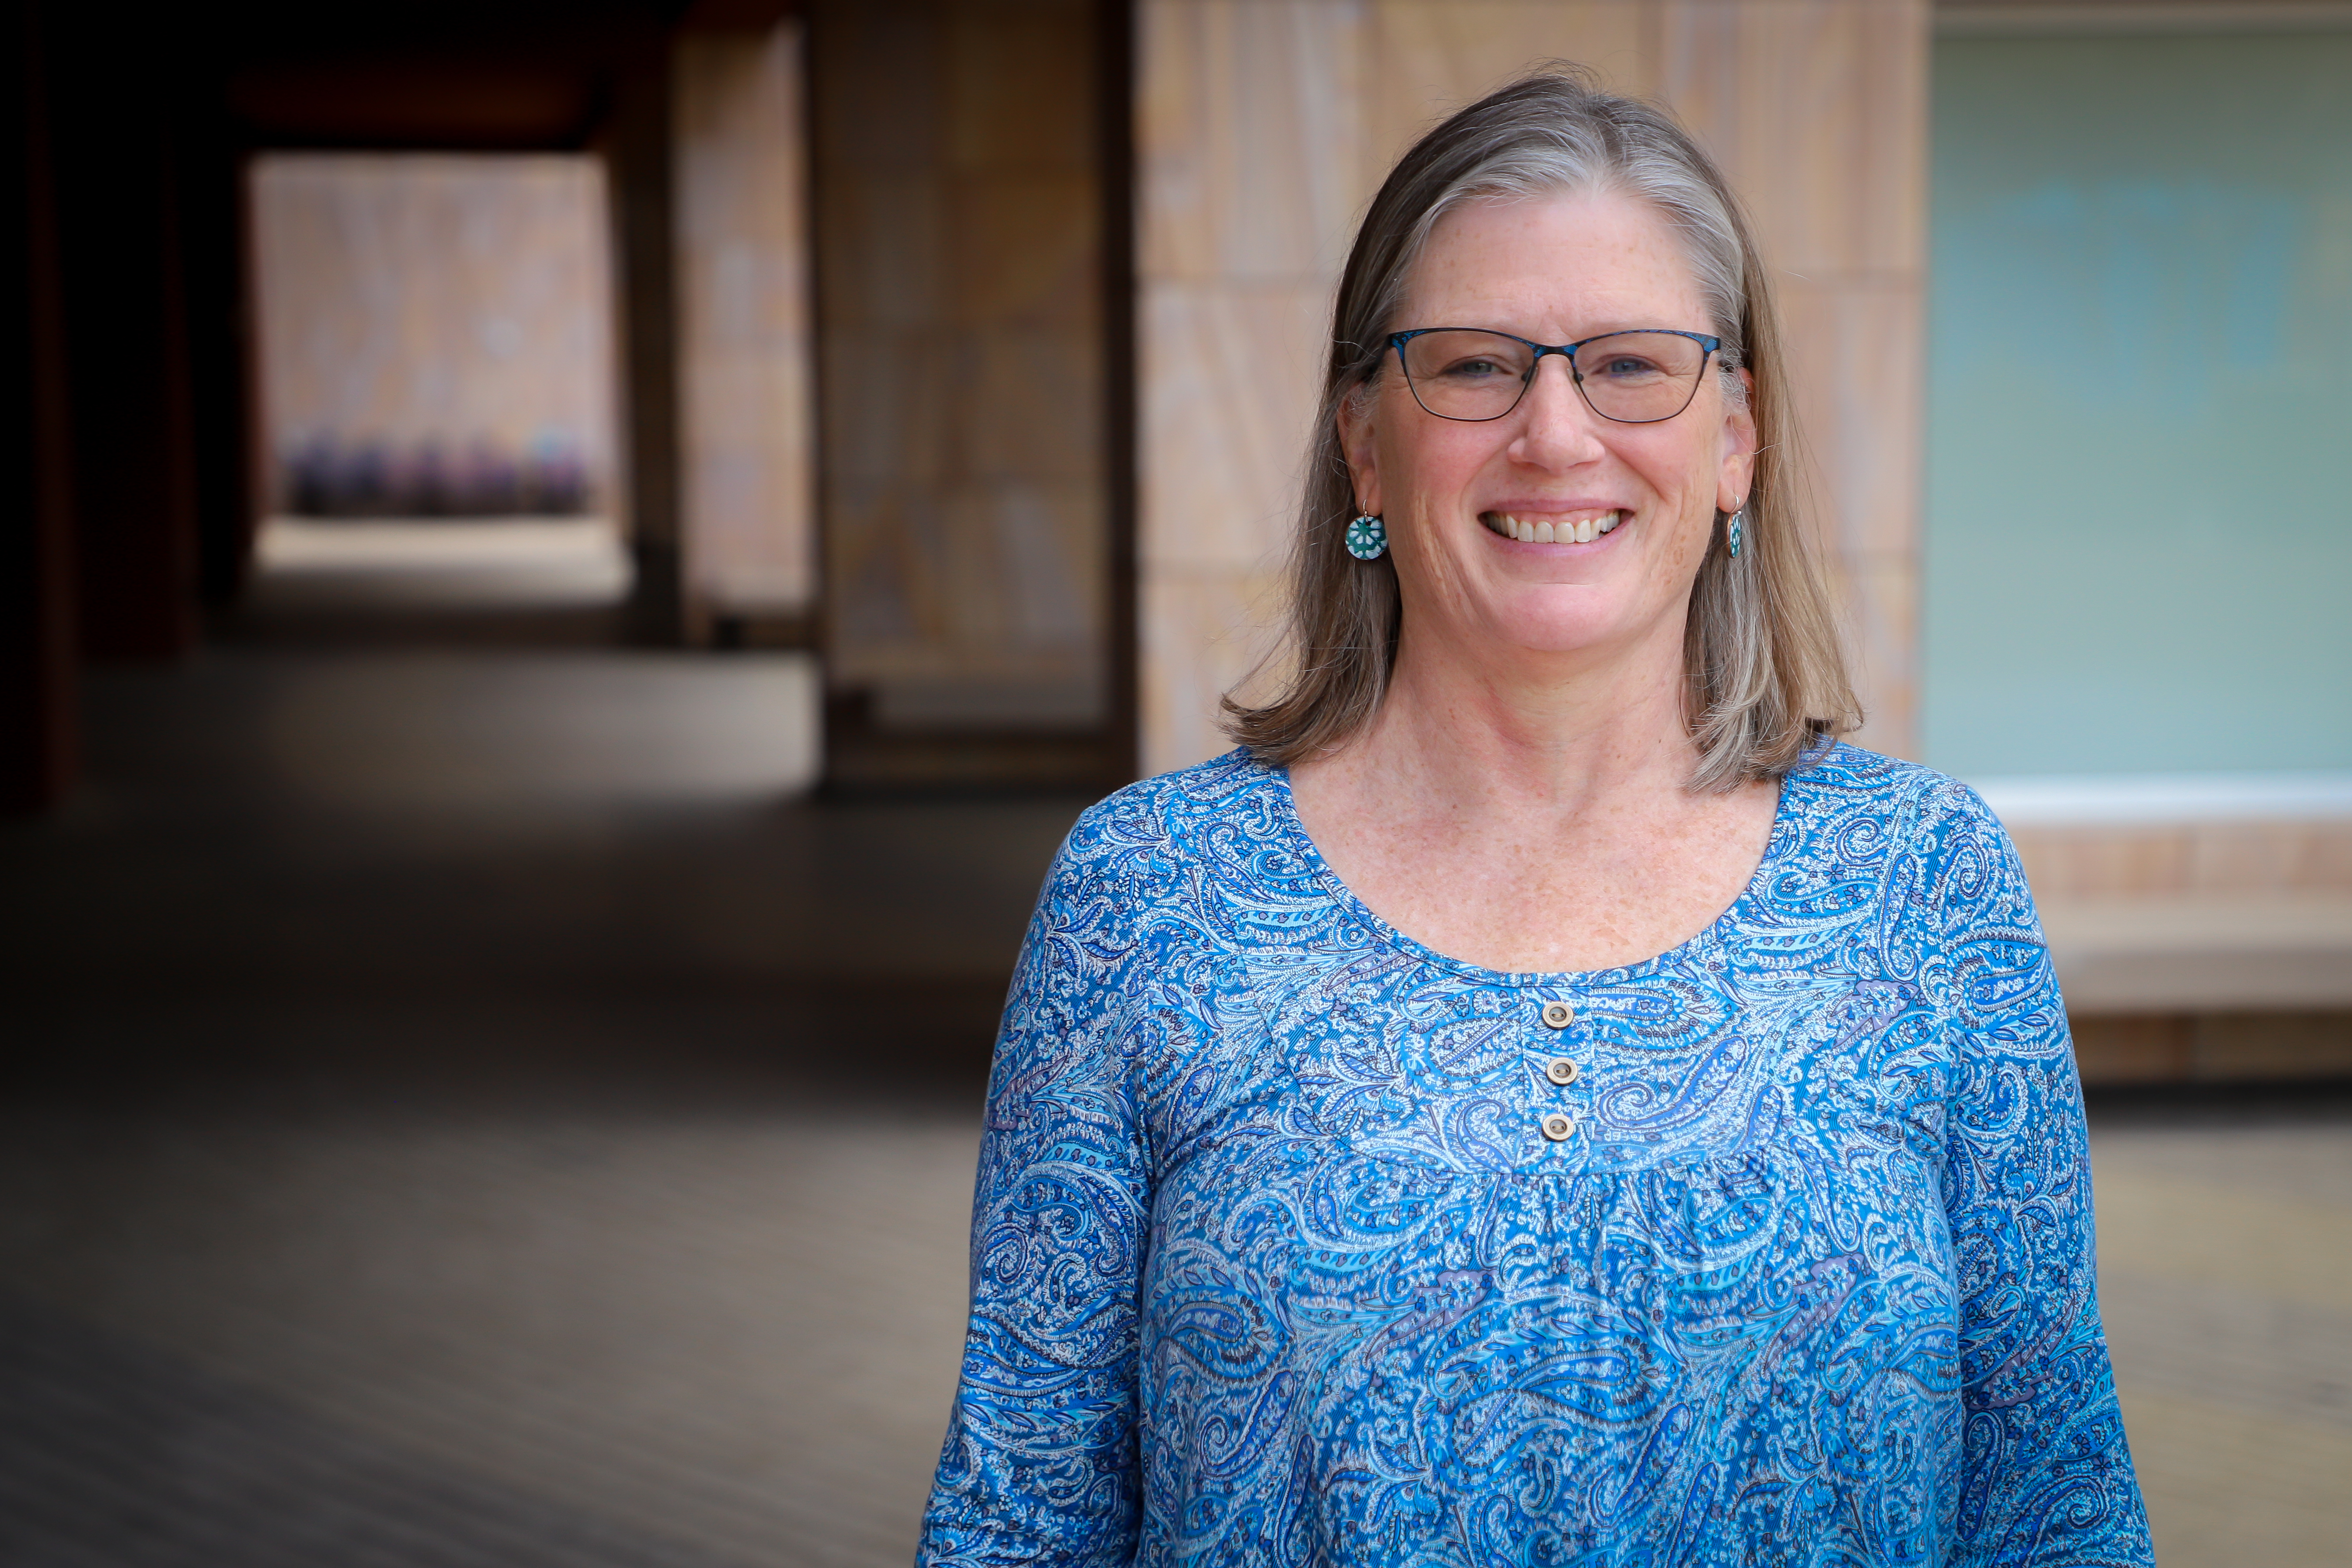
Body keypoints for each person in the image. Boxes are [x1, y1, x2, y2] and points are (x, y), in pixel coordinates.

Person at [917, 69, 2152, 1566]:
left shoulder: (1924, 882)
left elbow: (2053, 1497)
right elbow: (1020, 1512)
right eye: (1474, 365)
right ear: (1365, 442)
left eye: (1632, 365)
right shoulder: (1149, 894)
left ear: (1735, 440)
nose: (1556, 435)